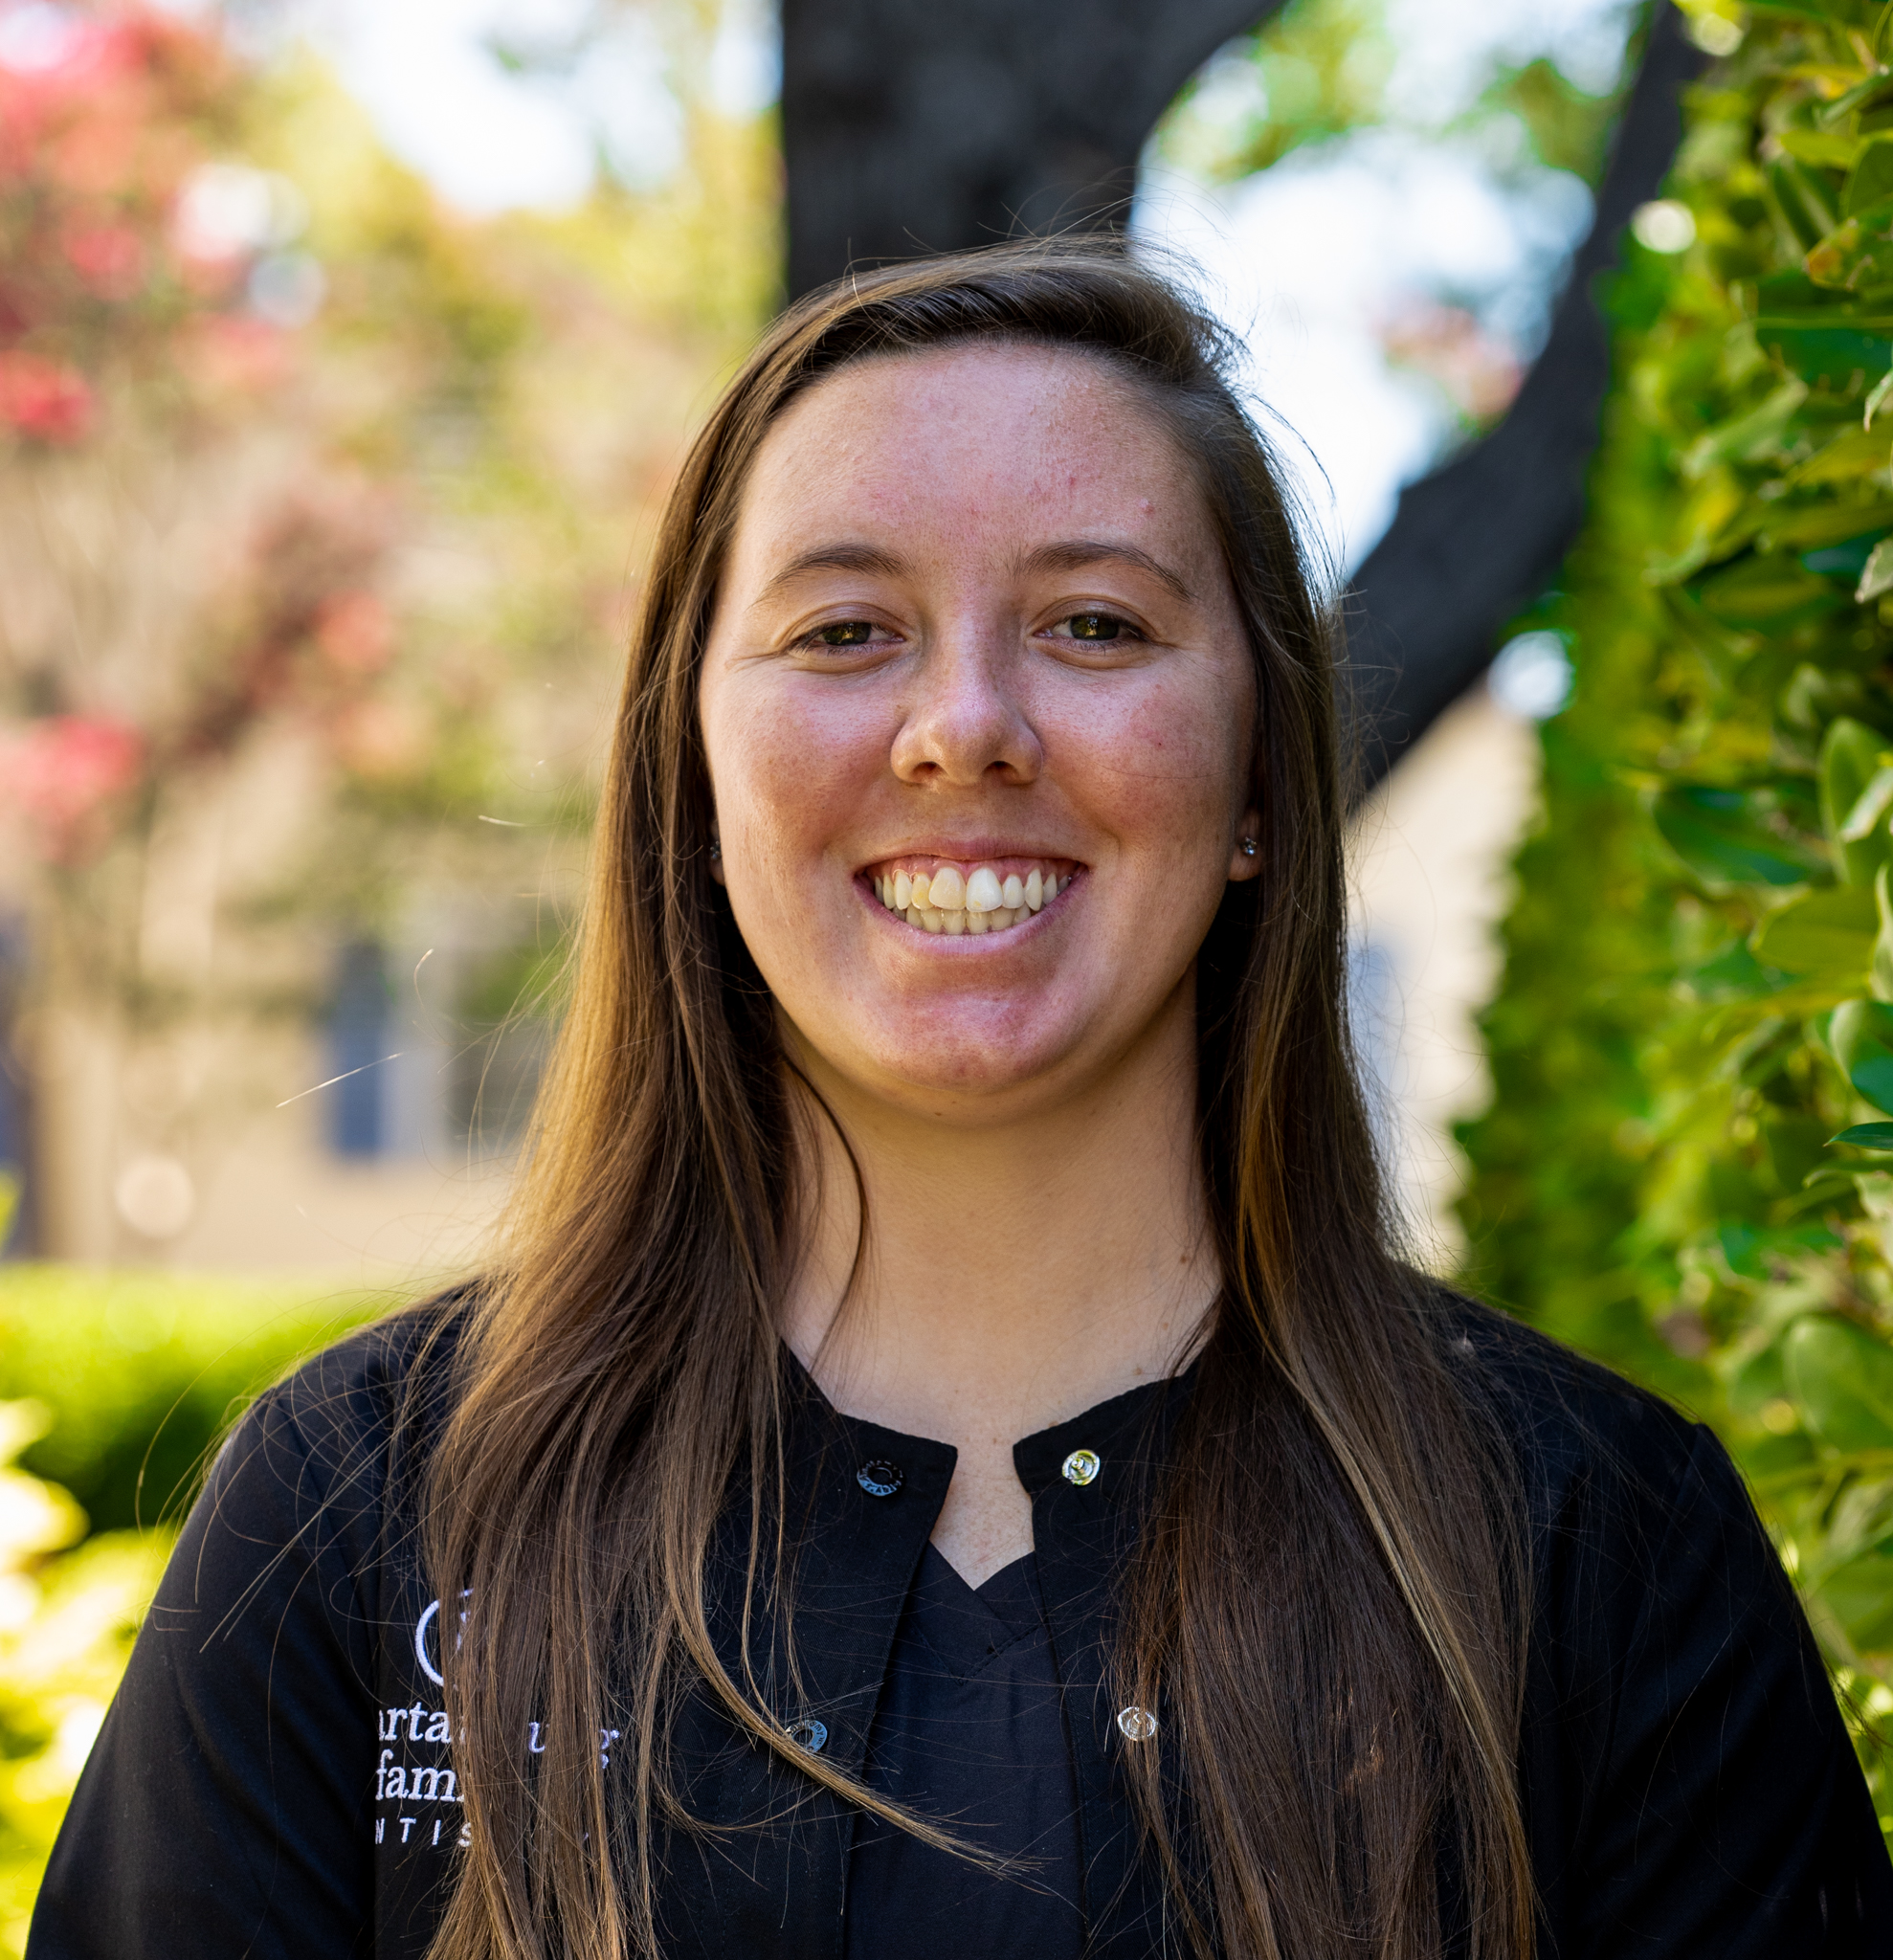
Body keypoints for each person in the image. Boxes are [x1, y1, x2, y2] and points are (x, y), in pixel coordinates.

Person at [27, 241, 1893, 1960]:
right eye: (844, 631)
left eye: (1091, 624)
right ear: (692, 774)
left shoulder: (1589, 1550)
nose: (963, 724)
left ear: (1257, 777)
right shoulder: (359, 1517)